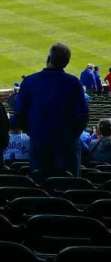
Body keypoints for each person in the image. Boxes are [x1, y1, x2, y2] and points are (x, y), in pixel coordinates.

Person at [10, 43, 88, 180]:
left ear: (49, 58)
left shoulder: (30, 81)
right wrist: (70, 137)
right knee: (69, 187)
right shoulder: (74, 83)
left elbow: (19, 115)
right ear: (66, 62)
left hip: (40, 144)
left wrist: (34, 132)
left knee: (42, 185)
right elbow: (82, 117)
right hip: (67, 146)